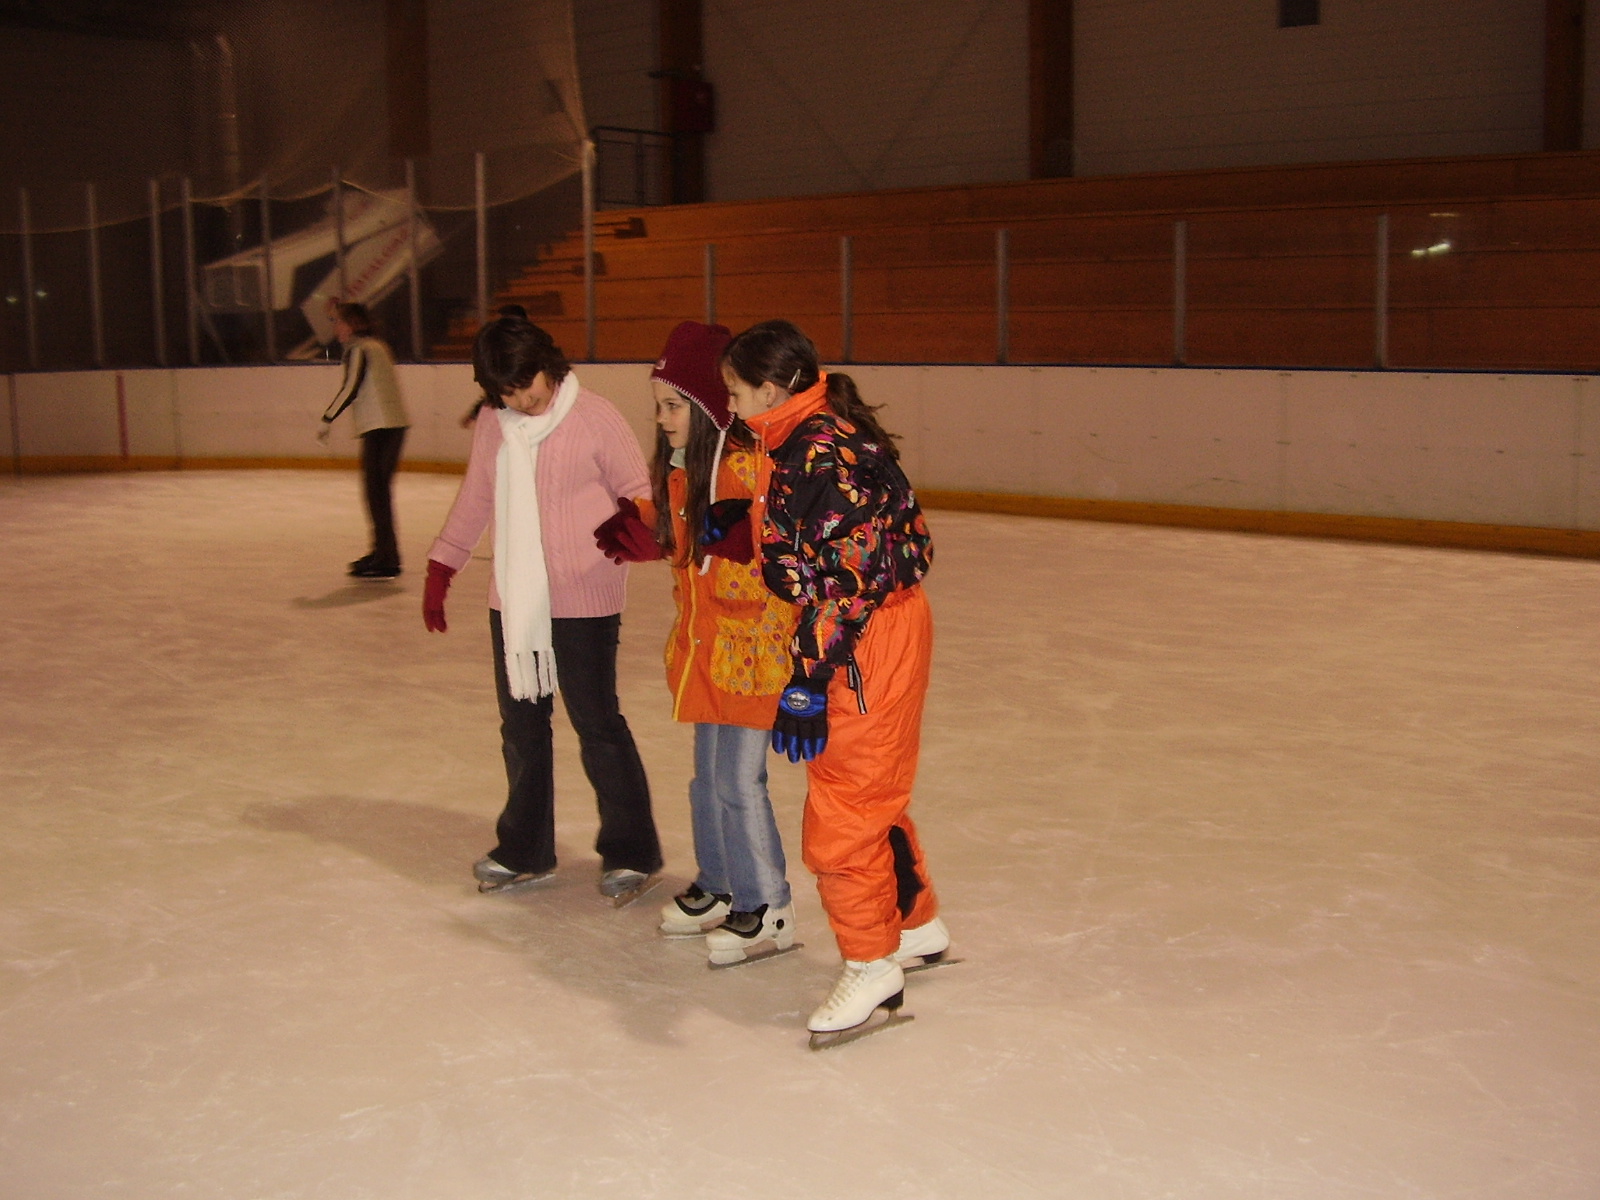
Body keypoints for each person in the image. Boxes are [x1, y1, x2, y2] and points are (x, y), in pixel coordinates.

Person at [720, 319, 950, 1047]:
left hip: (862, 639)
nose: (730, 405)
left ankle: (872, 963)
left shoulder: (817, 451)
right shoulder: (809, 436)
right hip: (879, 629)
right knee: (872, 792)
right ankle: (912, 924)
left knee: (845, 809)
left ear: (770, 389)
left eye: (735, 391)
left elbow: (846, 582)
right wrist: (750, 529)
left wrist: (808, 678)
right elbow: (826, 548)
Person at [421, 314, 663, 904]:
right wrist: (443, 565)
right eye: (505, 391)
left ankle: (631, 851)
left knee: (597, 724)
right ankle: (525, 848)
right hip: (517, 600)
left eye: (525, 384)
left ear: (546, 364)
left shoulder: (596, 416)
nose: (521, 400)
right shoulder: (494, 425)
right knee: (522, 728)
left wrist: (637, 524)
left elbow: (640, 491)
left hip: (584, 598)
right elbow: (477, 497)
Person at [595, 321, 799, 966]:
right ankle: (720, 883)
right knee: (707, 780)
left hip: (752, 653)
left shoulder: (745, 468)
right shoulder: (687, 472)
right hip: (707, 648)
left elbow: (782, 556)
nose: (661, 420)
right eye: (657, 406)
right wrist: (649, 530)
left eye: (673, 406)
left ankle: (768, 905)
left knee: (739, 781)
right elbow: (692, 555)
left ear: (711, 408)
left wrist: (749, 545)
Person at [317, 302, 409, 580]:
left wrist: (327, 418)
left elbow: (351, 387)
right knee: (377, 494)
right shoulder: (377, 345)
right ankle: (383, 553)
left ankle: (386, 558)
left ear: (351, 324)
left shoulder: (360, 349)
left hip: (381, 428)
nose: (335, 327)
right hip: (390, 426)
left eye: (338, 321)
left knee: (376, 494)